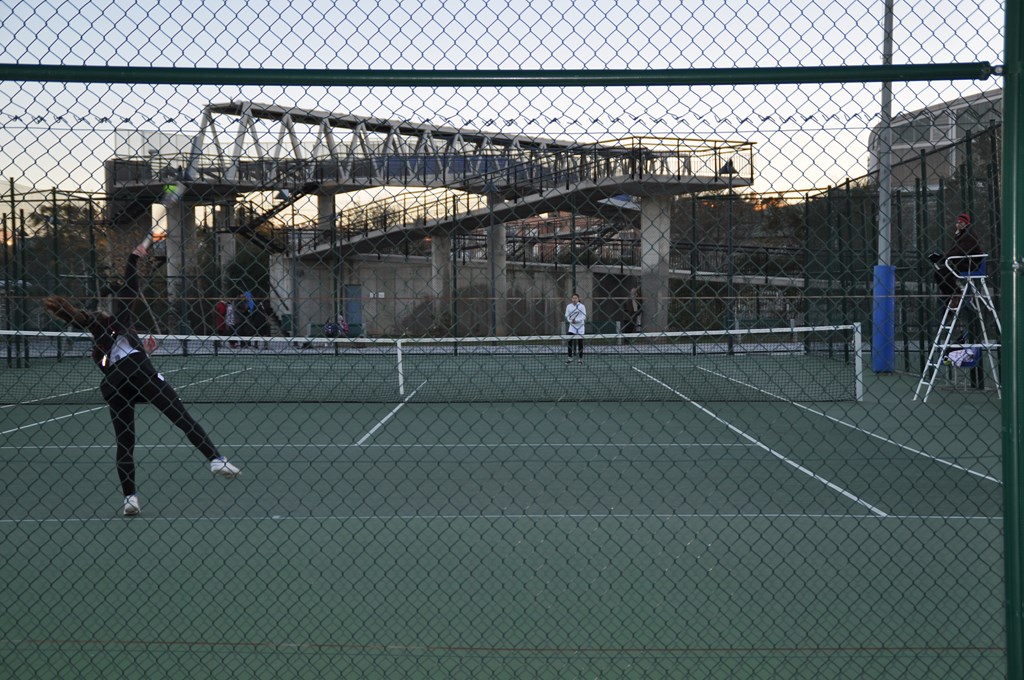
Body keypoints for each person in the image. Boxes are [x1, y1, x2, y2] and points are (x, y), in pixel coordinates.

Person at [43, 240, 241, 517]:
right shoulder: (117, 321)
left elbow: (115, 362)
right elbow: (130, 288)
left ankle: (130, 499)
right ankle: (215, 459)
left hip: (116, 386)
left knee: (125, 443)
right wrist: (133, 258)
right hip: (140, 374)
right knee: (181, 417)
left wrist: (143, 352)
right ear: (105, 316)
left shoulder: (98, 347)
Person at [927, 212, 982, 308]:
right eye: (957, 222)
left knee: (942, 274)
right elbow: (955, 250)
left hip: (970, 264)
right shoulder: (961, 234)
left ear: (966, 223)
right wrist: (942, 257)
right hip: (962, 263)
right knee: (939, 274)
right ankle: (951, 295)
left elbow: (960, 252)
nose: (958, 224)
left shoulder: (969, 235)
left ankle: (956, 294)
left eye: (961, 222)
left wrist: (943, 257)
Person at [564, 292, 587, 364]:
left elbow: (584, 316)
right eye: (573, 298)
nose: (574, 299)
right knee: (569, 341)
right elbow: (567, 315)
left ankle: (580, 359)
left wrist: (576, 320)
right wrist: (571, 321)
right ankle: (570, 358)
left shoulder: (582, 306)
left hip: (580, 327)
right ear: (571, 299)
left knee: (580, 343)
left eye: (576, 298)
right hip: (572, 327)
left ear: (578, 299)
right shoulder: (568, 306)